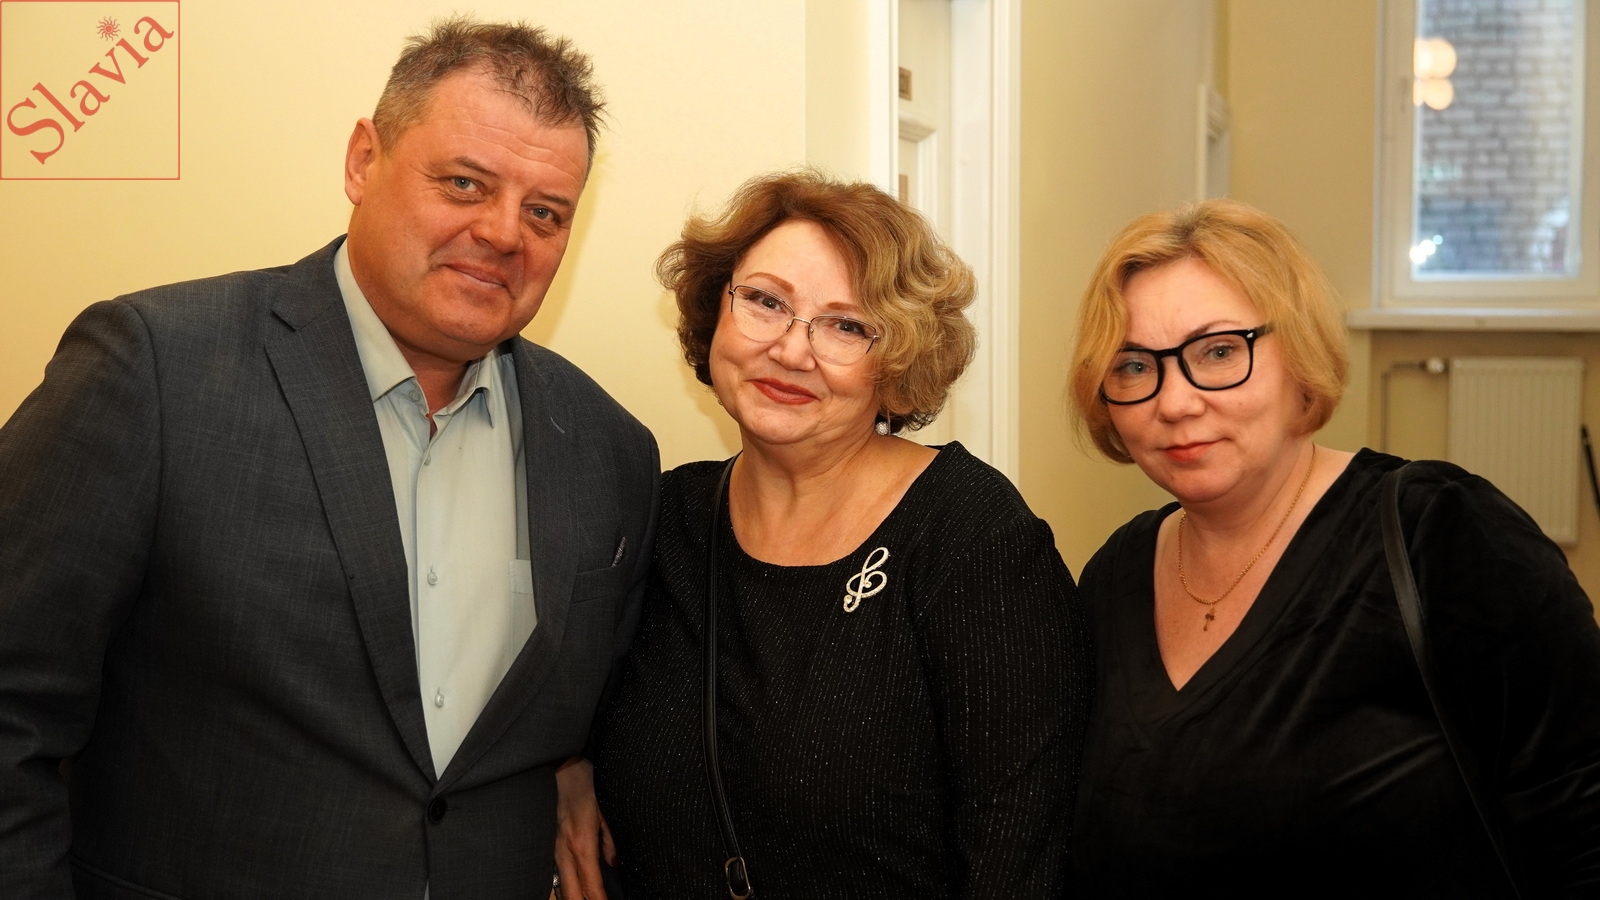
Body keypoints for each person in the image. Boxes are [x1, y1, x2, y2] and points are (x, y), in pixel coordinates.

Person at [0, 18, 657, 899]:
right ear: (362, 161)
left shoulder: (611, 451)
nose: (505, 233)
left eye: (545, 212)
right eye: (464, 183)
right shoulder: (155, 371)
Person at [552, 170, 1092, 899]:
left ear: (896, 359)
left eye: (845, 326)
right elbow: (567, 696)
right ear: (716, 310)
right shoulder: (664, 517)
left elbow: (1019, 856)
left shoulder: (972, 539)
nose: (791, 350)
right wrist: (567, 768)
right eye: (766, 302)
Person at [1065, 198, 1600, 895]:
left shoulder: (1442, 533)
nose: (1175, 402)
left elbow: (1582, 819)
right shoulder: (1114, 576)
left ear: (1300, 358)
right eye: (1135, 367)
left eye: (1219, 351)